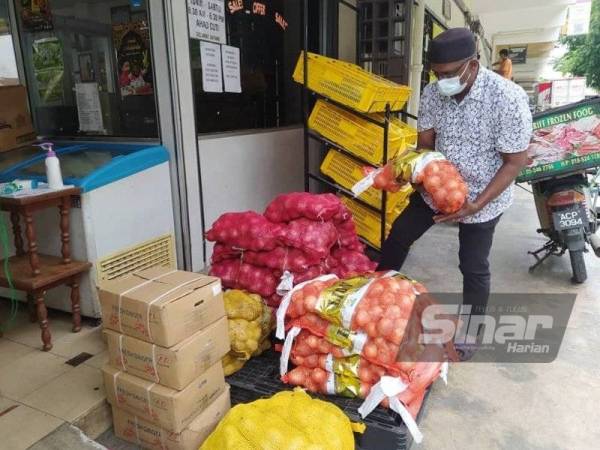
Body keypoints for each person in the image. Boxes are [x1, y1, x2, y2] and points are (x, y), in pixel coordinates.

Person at [378, 28, 532, 358]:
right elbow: (425, 145)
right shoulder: (434, 93)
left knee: (473, 264)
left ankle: (472, 332)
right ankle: (373, 294)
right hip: (438, 186)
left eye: (448, 73)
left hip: (484, 195)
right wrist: (409, 174)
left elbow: (514, 162)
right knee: (399, 234)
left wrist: (476, 204)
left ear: (473, 65)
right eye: (436, 73)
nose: (440, 80)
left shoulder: (507, 98)